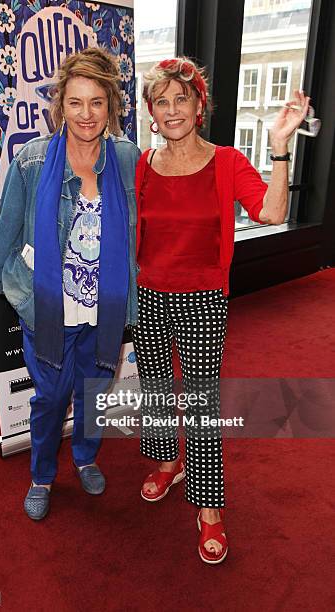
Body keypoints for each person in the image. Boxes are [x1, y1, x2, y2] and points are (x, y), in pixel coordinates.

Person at [132, 57, 309, 563]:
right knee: (158, 390)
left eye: (180, 100)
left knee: (203, 406)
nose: (171, 110)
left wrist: (279, 148)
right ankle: (167, 462)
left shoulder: (227, 161)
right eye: (161, 102)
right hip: (149, 293)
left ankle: (209, 510)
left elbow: (271, 212)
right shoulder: (143, 165)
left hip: (203, 298)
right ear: (151, 112)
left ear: (198, 106)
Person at [0, 48, 140, 520]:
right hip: (51, 311)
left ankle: (85, 457)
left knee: (94, 392)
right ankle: (41, 474)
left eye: (97, 102)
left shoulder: (127, 158)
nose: (86, 114)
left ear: (111, 106)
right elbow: (5, 250)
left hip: (106, 309)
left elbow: (143, 233)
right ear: (59, 105)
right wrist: (32, 302)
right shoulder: (33, 161)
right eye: (75, 103)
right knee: (52, 398)